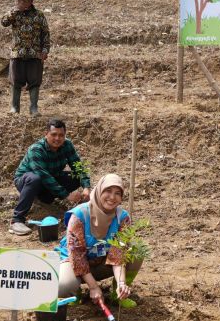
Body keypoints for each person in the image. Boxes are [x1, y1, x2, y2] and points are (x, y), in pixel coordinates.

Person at [56, 174, 141, 307]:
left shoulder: (122, 218)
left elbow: (117, 254)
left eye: (117, 193)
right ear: (99, 190)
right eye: (108, 191)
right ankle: (74, 293)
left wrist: (121, 283)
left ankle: (118, 295)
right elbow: (77, 256)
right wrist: (93, 287)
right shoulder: (79, 215)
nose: (112, 197)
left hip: (101, 261)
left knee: (136, 252)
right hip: (73, 262)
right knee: (63, 285)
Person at [10, 119, 90, 235]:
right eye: (54, 134)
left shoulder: (67, 145)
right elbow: (43, 175)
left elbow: (78, 167)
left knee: (76, 177)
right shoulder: (36, 149)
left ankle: (44, 200)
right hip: (26, 181)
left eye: (61, 135)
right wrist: (66, 195)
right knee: (35, 178)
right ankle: (16, 220)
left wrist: (86, 187)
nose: (57, 138)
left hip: (50, 179)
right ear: (46, 134)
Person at [1, 0, 50, 115]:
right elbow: (4, 22)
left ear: (31, 1)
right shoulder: (14, 13)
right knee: (15, 80)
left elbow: (45, 34)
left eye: (26, 0)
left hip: (35, 53)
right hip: (17, 53)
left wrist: (45, 50)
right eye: (21, 0)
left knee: (35, 81)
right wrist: (14, 11)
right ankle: (14, 107)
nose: (23, 2)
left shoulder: (39, 15)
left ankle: (34, 108)